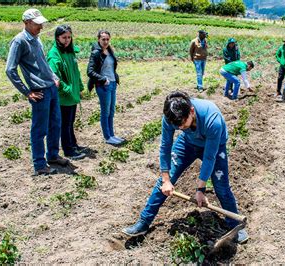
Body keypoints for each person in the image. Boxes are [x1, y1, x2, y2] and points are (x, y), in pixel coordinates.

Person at [122, 91, 248, 243]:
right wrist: (166, 179)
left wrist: (200, 189)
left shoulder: (212, 119)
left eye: (182, 123)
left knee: (221, 187)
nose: (180, 127)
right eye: (177, 126)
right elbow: (165, 146)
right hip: (187, 143)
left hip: (214, 145)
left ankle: (235, 225)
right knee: (163, 183)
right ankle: (144, 222)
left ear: (192, 111)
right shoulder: (171, 117)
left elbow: (209, 157)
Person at [5, 8, 69, 176]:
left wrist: (54, 77)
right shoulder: (19, 41)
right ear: (26, 23)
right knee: (39, 129)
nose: (41, 27)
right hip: (39, 91)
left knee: (55, 124)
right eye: (37, 24)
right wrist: (27, 92)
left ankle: (53, 156)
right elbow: (10, 70)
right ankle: (40, 164)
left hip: (51, 87)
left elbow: (43, 64)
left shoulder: (37, 39)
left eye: (41, 24)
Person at [47, 25, 86, 160]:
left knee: (70, 121)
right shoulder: (54, 54)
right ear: (57, 37)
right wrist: (67, 89)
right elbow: (54, 76)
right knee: (65, 123)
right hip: (63, 96)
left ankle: (73, 144)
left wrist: (79, 87)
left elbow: (76, 72)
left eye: (69, 37)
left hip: (73, 93)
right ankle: (68, 150)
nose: (67, 40)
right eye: (64, 37)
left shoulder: (69, 52)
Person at [87, 30, 124, 145]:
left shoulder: (109, 50)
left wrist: (114, 78)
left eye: (107, 39)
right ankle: (107, 137)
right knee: (105, 112)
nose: (105, 41)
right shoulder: (96, 53)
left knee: (111, 111)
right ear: (98, 39)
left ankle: (112, 135)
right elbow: (90, 71)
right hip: (103, 86)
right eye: (103, 39)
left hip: (112, 84)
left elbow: (112, 68)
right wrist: (103, 79)